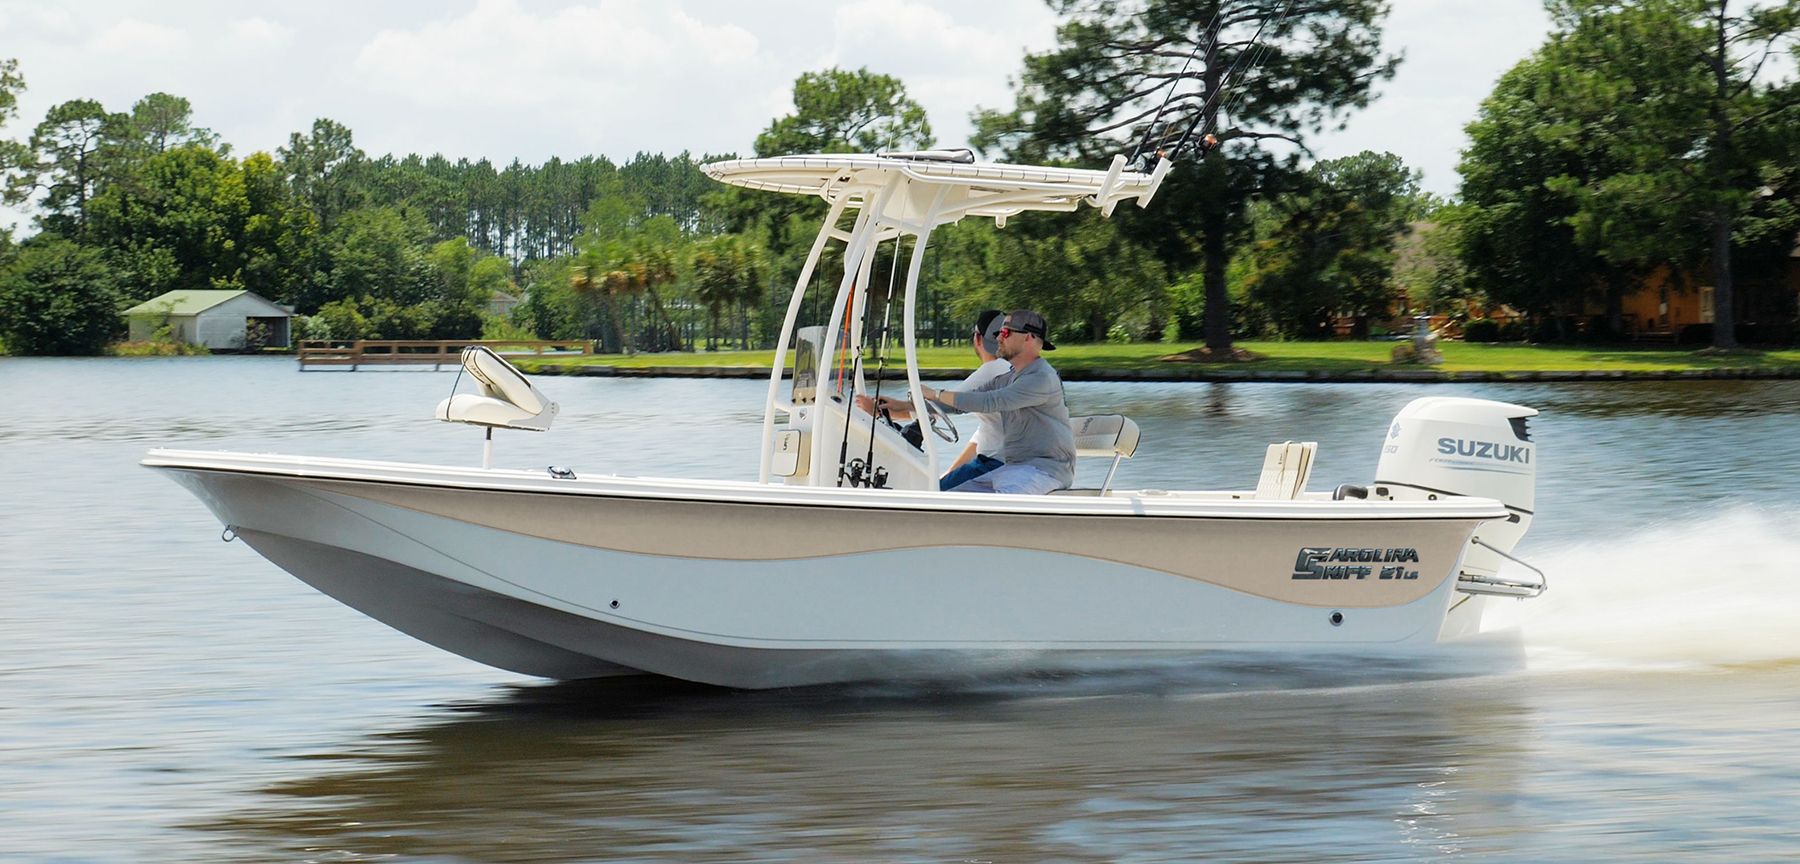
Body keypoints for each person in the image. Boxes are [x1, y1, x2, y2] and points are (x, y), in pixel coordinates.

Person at [891, 309, 1074, 495]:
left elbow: (991, 401)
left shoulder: (1041, 378)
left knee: (997, 505)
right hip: (1014, 468)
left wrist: (936, 393)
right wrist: (911, 405)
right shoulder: (1008, 377)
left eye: (1005, 333)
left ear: (1028, 337)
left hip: (1045, 470)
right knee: (943, 497)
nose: (999, 339)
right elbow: (963, 403)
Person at [863, 310, 1012, 490]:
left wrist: (889, 408)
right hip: (1004, 463)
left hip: (994, 467)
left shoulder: (993, 370)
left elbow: (946, 404)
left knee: (927, 498)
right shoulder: (1011, 370)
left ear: (978, 339)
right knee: (937, 487)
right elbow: (980, 438)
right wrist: (949, 473)